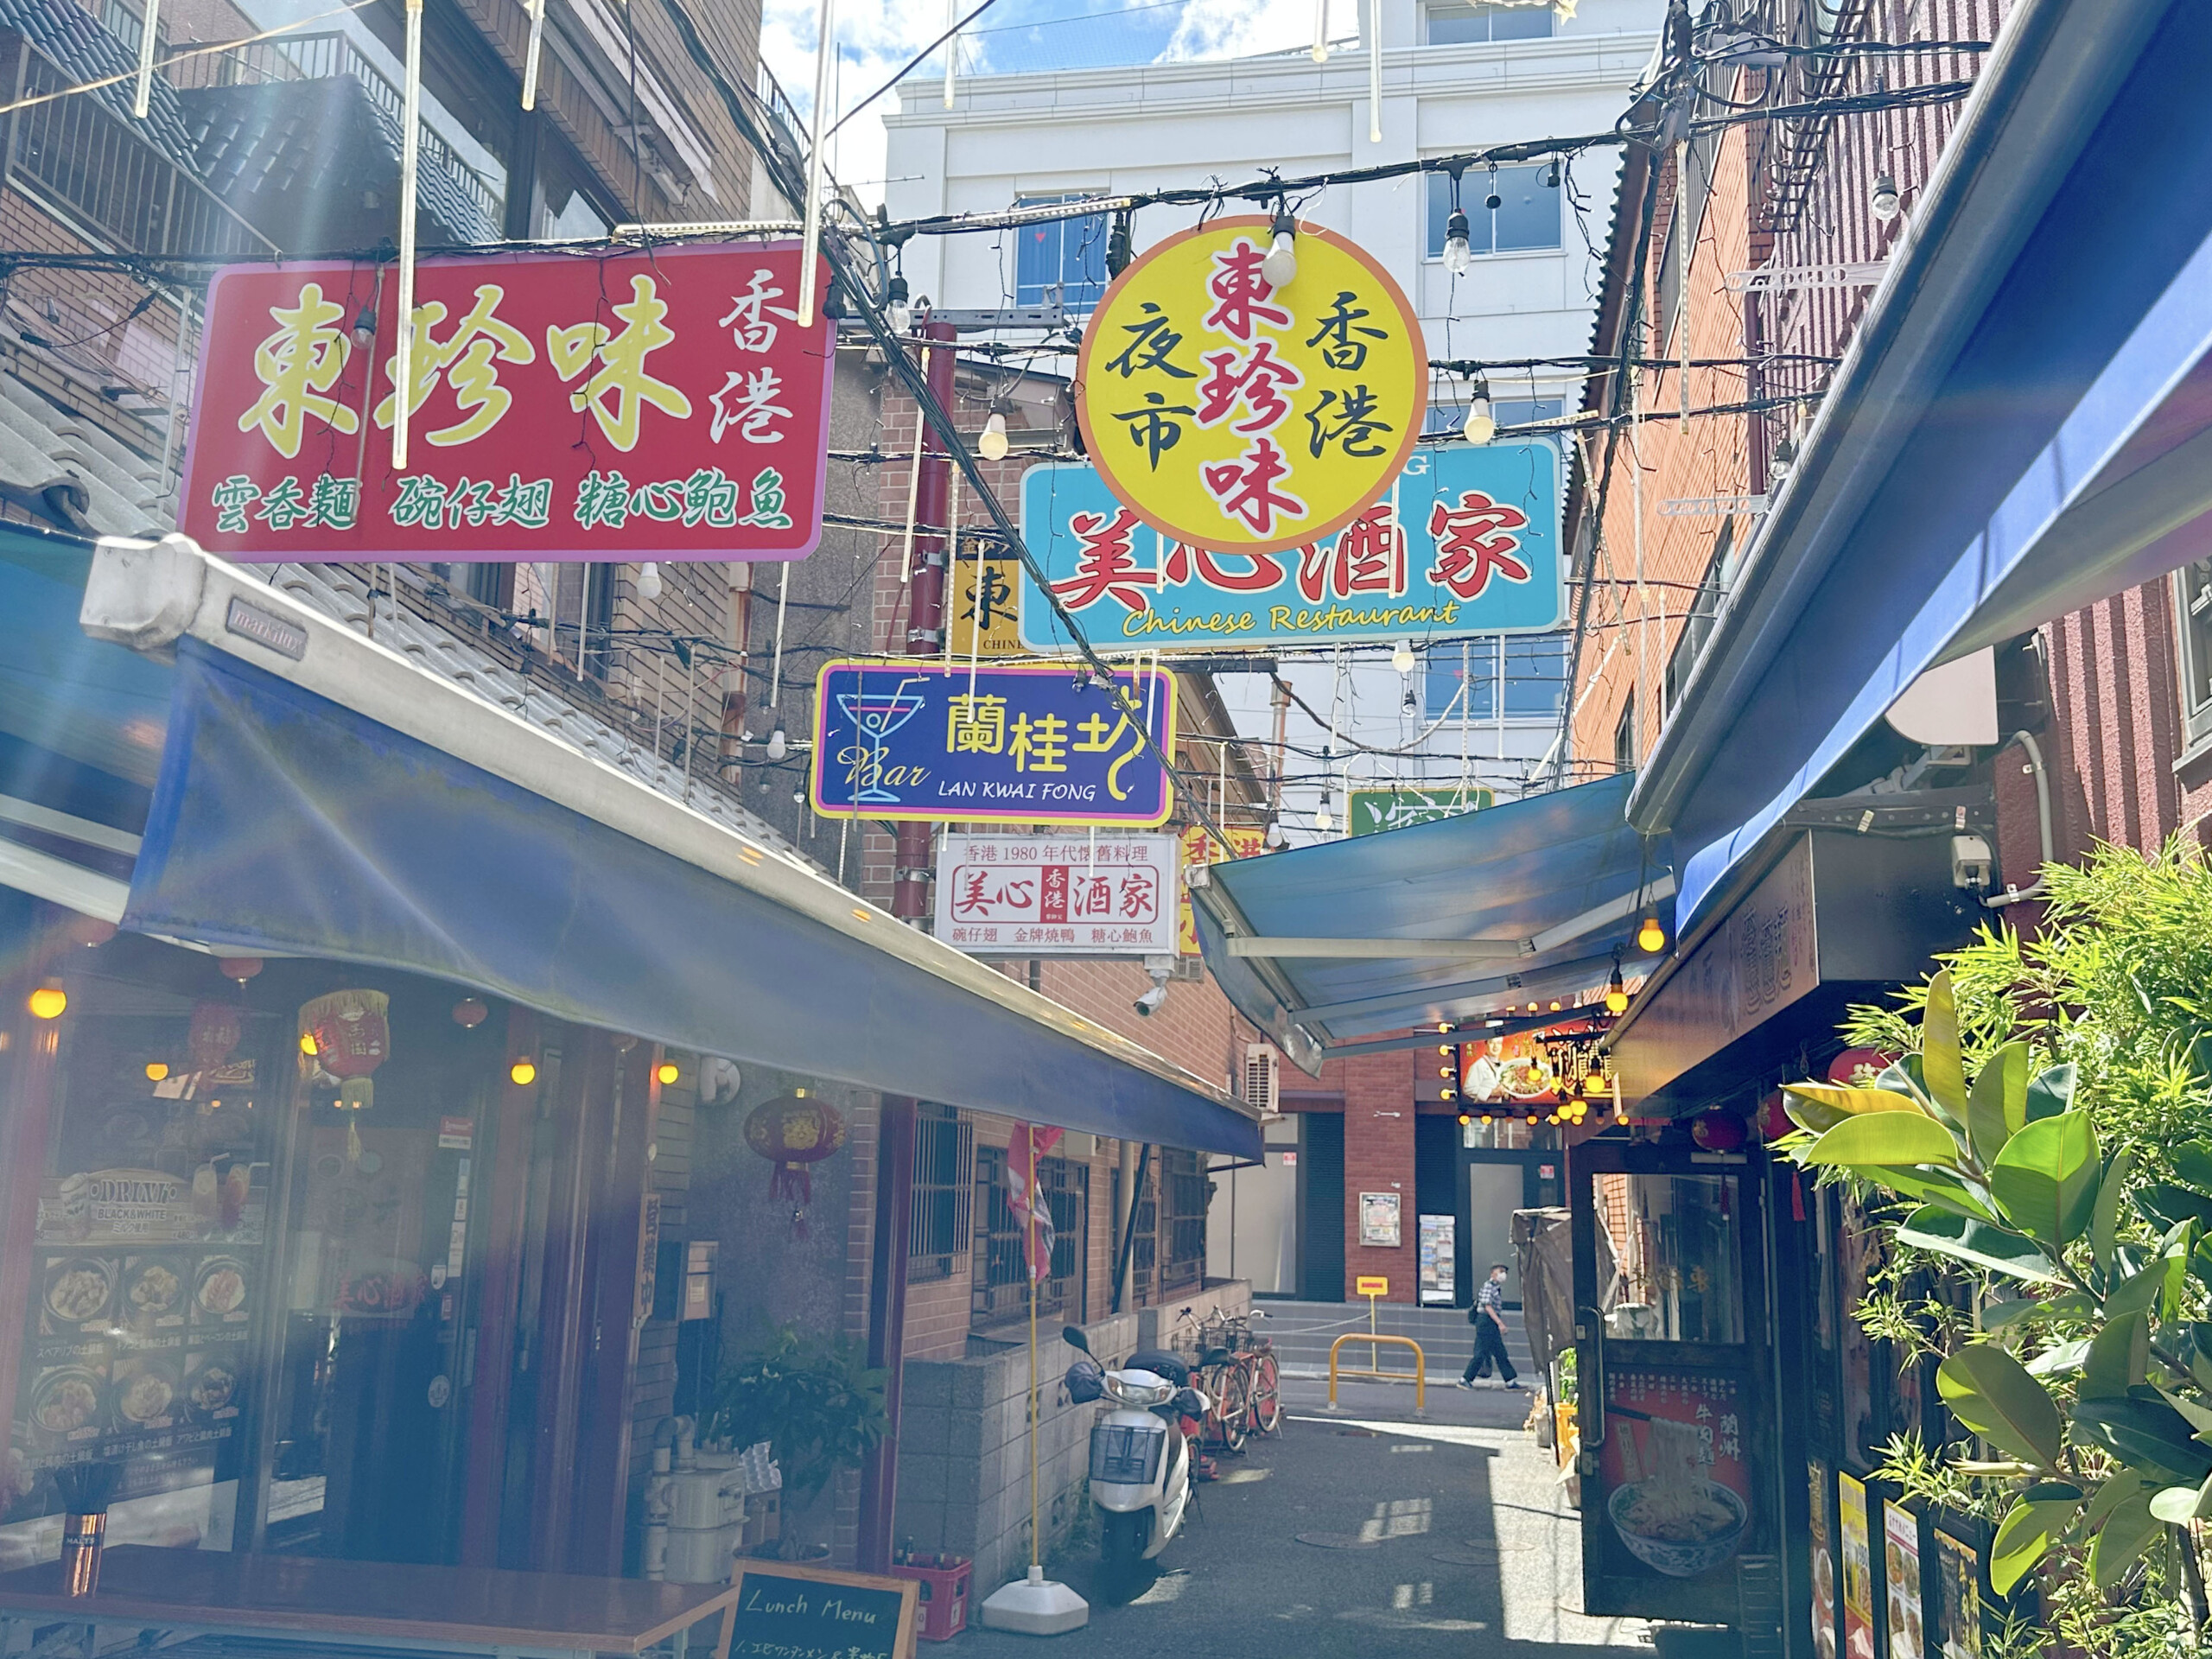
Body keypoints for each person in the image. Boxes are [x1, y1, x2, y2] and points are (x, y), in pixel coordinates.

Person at [1459, 1263, 1523, 1389]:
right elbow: (1487, 1306)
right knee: (1480, 1353)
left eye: (1505, 1272)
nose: (1503, 1274)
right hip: (1485, 1322)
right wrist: (1500, 1323)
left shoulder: (1496, 1288)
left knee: (1500, 1352)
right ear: (1493, 1273)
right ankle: (1465, 1379)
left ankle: (1510, 1381)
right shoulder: (1488, 1286)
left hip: (1490, 1322)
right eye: (1501, 1271)